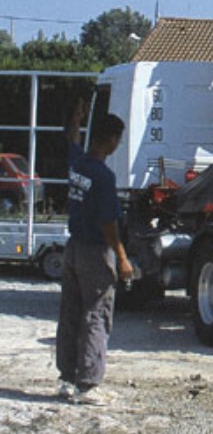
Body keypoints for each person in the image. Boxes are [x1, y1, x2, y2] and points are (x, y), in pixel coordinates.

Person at [56, 97, 134, 403]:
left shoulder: (78, 163)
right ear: (113, 140)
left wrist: (76, 118)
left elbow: (72, 139)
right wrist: (123, 258)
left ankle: (66, 377)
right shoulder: (103, 177)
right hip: (94, 251)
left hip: (73, 247)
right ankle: (88, 384)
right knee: (96, 314)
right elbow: (108, 223)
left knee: (71, 312)